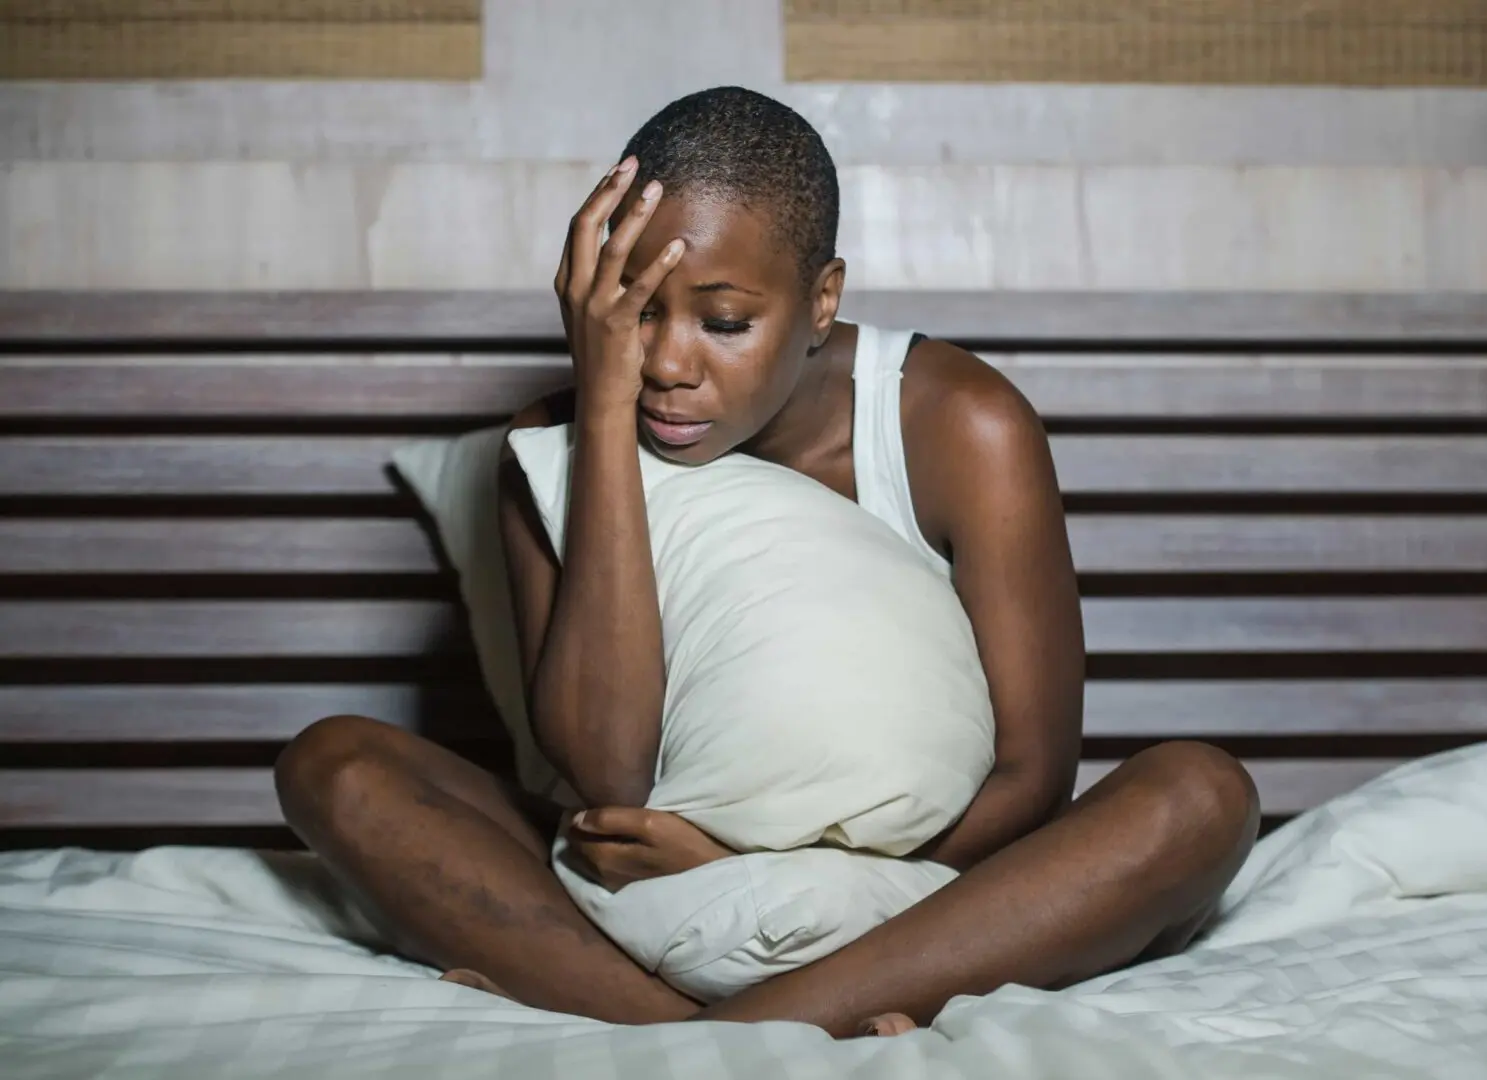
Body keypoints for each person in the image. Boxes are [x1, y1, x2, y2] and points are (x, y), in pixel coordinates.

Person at [274, 86, 1259, 1039]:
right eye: (638, 311)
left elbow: (1030, 776)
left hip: (916, 881)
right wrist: (602, 416)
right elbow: (604, 768)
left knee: (1199, 797)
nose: (669, 363)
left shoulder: (962, 426)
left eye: (725, 322)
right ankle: (759, 1035)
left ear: (822, 298)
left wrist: (757, 867)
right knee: (335, 766)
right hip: (632, 873)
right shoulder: (554, 445)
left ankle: (703, 1038)